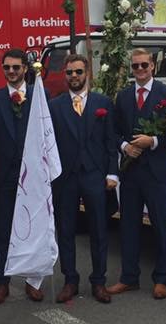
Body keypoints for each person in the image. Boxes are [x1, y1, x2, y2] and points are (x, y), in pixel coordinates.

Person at [109, 48, 166, 300]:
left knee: (160, 226)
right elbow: (114, 131)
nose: (140, 70)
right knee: (128, 227)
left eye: (144, 65)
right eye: (135, 66)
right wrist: (125, 146)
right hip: (131, 172)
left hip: (157, 172)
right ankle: (129, 278)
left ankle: (162, 279)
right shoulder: (123, 96)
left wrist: (151, 141)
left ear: (153, 66)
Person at [0, 49, 44, 305]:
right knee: (2, 231)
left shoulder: (39, 96)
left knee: (33, 229)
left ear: (25, 68)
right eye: (7, 68)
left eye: (16, 67)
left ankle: (32, 281)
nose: (11, 72)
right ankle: (1, 283)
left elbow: (48, 134)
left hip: (33, 177)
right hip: (3, 177)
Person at [48, 54, 119, 304]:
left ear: (87, 72)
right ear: (65, 75)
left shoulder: (103, 103)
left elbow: (111, 141)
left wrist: (112, 172)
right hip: (65, 177)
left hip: (94, 175)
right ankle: (70, 280)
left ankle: (98, 281)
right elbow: (48, 143)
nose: (74, 77)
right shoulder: (55, 106)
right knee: (65, 229)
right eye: (69, 73)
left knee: (99, 230)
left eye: (78, 72)